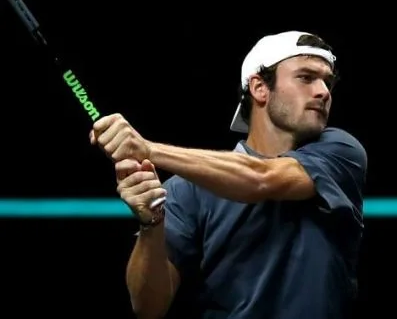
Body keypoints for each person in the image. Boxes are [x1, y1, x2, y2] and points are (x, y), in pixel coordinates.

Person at [90, 30, 368, 318]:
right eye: (306, 78)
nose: (323, 91)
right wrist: (151, 224)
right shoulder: (186, 190)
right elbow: (148, 308)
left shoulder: (341, 153)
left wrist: (148, 149)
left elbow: (260, 178)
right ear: (259, 88)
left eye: (327, 82)